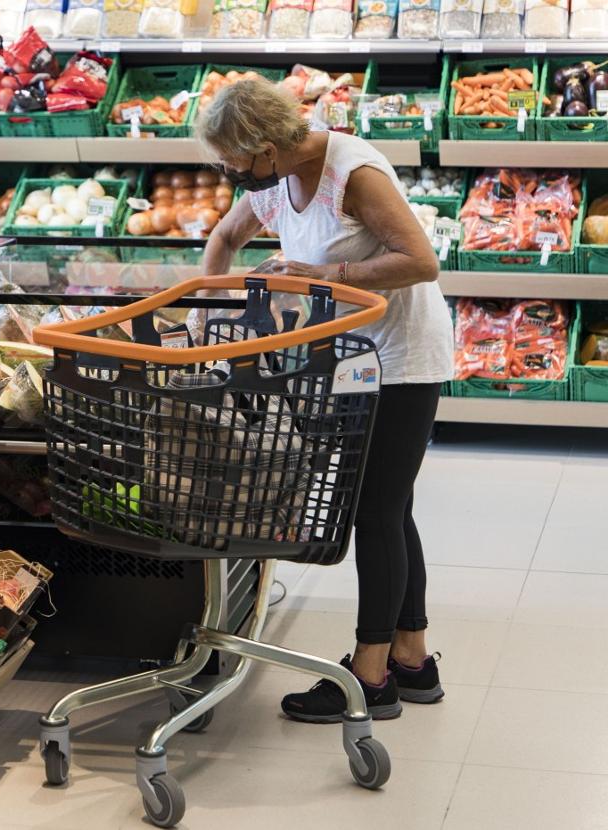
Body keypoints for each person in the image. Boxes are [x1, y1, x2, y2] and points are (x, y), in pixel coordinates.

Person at [197, 79, 454, 723]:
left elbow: (420, 261)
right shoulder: (273, 183)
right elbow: (225, 240)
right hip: (347, 362)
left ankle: (369, 677)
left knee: (375, 510)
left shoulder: (353, 171)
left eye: (233, 162)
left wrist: (326, 277)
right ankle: (412, 660)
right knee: (393, 507)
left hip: (400, 356)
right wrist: (211, 310)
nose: (230, 175)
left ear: (266, 146)